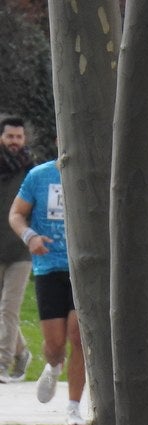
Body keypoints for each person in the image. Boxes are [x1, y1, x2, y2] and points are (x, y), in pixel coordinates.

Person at [7, 151, 86, 425]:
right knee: (55, 344)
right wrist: (30, 237)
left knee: (80, 338)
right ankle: (53, 366)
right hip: (48, 266)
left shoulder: (94, 173)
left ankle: (74, 407)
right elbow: (16, 213)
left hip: (84, 267)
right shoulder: (39, 176)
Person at [0, 117, 33, 383]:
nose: (14, 142)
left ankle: (2, 363)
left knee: (8, 310)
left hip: (20, 253)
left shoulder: (30, 171)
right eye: (10, 136)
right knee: (3, 314)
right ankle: (22, 353)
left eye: (18, 137)